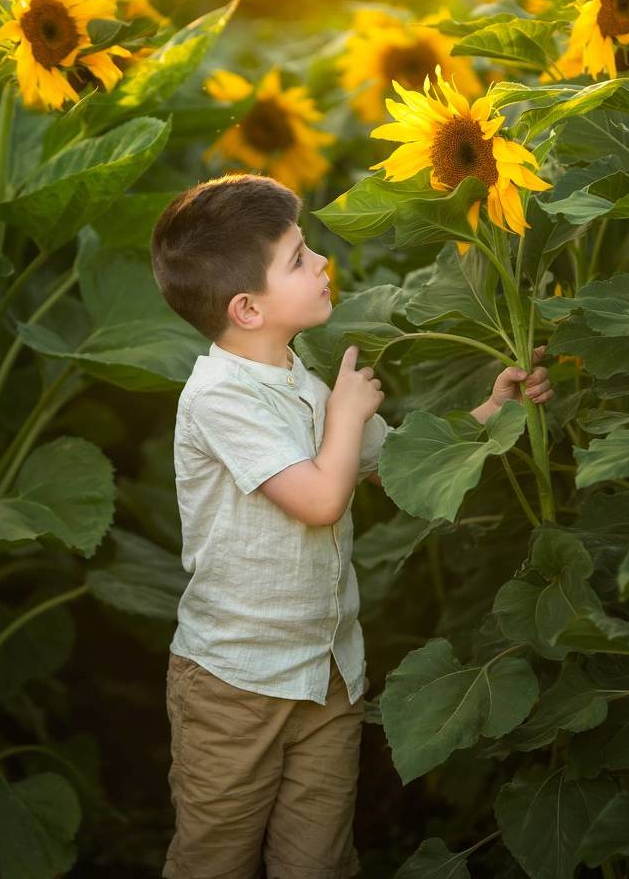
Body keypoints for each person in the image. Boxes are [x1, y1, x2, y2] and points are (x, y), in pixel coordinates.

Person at [149, 172, 553, 879]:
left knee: (320, 861)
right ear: (247, 307)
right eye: (300, 259)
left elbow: (397, 464)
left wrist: (492, 412)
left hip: (328, 671)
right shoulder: (218, 399)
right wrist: (344, 414)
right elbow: (317, 499)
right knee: (215, 858)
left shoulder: (302, 381)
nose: (323, 264)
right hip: (235, 684)